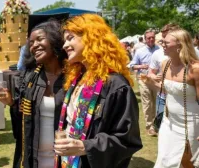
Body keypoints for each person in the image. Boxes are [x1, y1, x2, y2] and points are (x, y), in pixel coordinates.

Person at [54, 14, 142, 168]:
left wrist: (85, 147)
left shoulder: (116, 86)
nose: (64, 45)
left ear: (90, 38)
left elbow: (127, 140)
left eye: (70, 38)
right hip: (68, 161)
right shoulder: (76, 80)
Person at [0, 13, 69, 168]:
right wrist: (11, 102)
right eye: (31, 42)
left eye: (40, 39)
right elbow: (22, 117)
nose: (34, 45)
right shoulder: (29, 78)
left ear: (55, 39)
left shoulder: (74, 79)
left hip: (66, 160)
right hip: (33, 158)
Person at [148, 29, 199, 168]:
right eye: (161, 42)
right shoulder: (165, 64)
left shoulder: (195, 69)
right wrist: (151, 83)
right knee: (166, 159)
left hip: (191, 123)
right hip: (168, 122)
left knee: (189, 162)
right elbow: (168, 90)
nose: (162, 44)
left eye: (166, 42)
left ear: (180, 45)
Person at [129, 28, 160, 136]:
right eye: (149, 38)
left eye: (153, 37)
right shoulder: (140, 51)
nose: (151, 39)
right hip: (144, 79)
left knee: (157, 103)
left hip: (156, 80)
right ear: (145, 39)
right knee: (147, 103)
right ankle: (149, 126)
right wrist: (141, 66)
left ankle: (157, 125)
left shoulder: (159, 50)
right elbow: (131, 66)